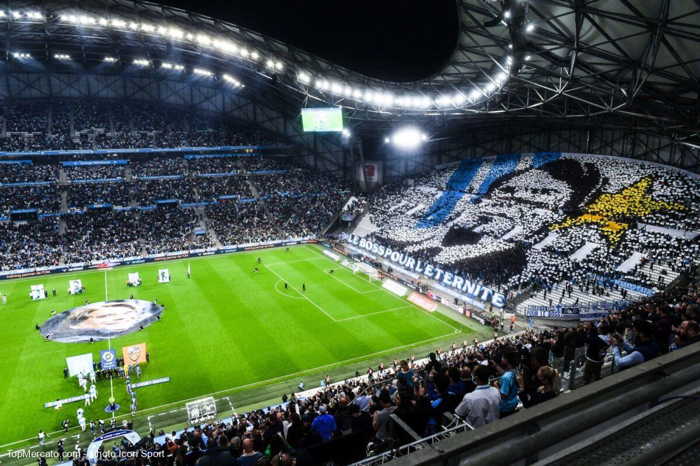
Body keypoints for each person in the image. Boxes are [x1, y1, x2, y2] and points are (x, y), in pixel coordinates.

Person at [496, 352, 520, 417]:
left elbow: (503, 395)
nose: (501, 359)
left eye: (503, 358)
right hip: (514, 402)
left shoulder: (506, 377)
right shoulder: (515, 370)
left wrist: (496, 386)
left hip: (506, 408)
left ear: (507, 360)